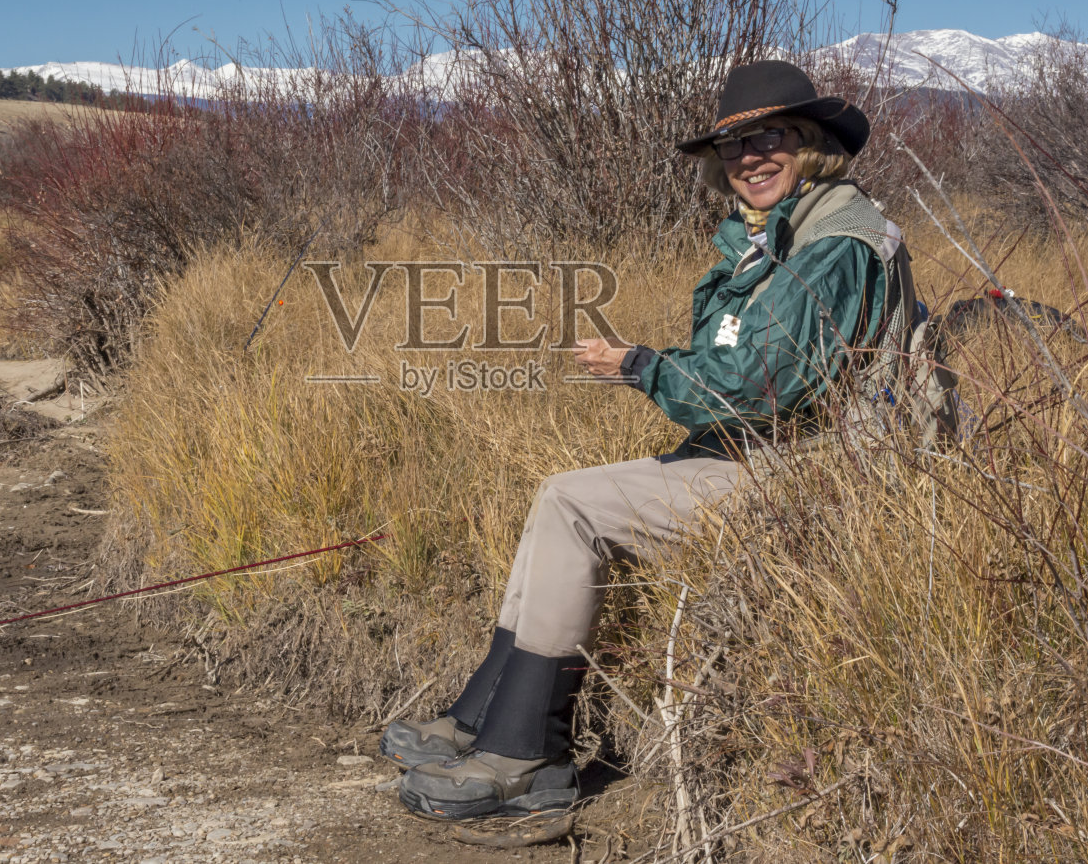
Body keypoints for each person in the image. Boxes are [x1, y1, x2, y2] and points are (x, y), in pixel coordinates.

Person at [382, 60, 918, 820]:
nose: (749, 159)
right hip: (758, 453)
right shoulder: (777, 236)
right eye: (733, 148)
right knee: (555, 497)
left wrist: (641, 365)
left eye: (771, 138)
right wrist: (656, 366)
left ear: (813, 143)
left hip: (811, 474)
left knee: (573, 503)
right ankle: (481, 721)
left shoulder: (834, 244)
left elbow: (761, 387)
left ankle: (529, 756)